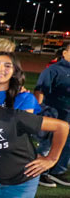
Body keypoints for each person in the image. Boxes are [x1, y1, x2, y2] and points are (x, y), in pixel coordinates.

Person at [35, 43, 70, 187]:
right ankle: (40, 172)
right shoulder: (54, 70)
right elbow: (40, 91)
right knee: (47, 144)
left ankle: (57, 171)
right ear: (65, 53)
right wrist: (38, 113)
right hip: (54, 113)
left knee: (67, 144)